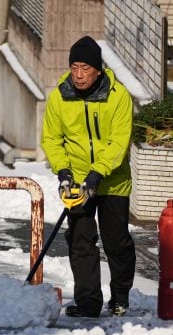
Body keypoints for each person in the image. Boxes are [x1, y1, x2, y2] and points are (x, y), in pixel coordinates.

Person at [41, 35, 136, 317]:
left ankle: (120, 297)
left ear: (98, 69)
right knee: (80, 240)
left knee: (116, 241)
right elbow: (52, 139)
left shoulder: (118, 97)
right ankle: (88, 302)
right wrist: (64, 172)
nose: (79, 75)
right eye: (74, 68)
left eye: (85, 68)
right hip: (78, 183)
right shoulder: (60, 96)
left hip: (113, 180)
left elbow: (119, 142)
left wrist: (98, 174)